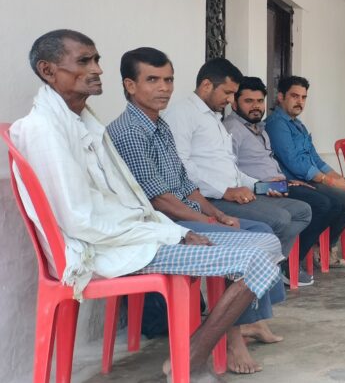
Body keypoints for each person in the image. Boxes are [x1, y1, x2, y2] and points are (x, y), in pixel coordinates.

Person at [16, 30, 279, 381]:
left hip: (136, 235)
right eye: (84, 61)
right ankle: (194, 356)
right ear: (48, 70)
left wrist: (191, 223)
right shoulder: (45, 130)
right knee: (253, 258)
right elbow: (82, 221)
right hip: (104, 248)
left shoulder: (84, 124)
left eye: (97, 60)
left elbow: (139, 199)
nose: (97, 69)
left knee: (265, 242)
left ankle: (195, 348)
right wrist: (172, 233)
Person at [107, 47, 287, 374]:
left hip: (186, 212)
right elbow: (160, 200)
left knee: (262, 233)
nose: (164, 88)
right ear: (130, 85)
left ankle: (243, 322)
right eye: (153, 80)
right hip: (166, 224)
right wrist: (206, 219)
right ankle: (232, 340)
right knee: (255, 243)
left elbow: (185, 184)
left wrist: (217, 215)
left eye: (168, 80)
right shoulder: (130, 131)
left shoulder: (159, 125)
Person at [162, 58, 312, 285]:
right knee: (279, 219)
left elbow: (230, 168)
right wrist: (225, 191)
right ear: (206, 85)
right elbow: (180, 167)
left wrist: (259, 186)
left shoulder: (213, 117)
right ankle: (253, 278)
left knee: (302, 211)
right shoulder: (182, 114)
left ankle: (266, 270)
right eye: (228, 93)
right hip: (208, 200)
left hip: (231, 194)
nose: (231, 100)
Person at [224, 76, 345, 272]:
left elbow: (315, 158)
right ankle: (296, 259)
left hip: (284, 183)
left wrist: (339, 178)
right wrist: (328, 181)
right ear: (281, 97)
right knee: (338, 202)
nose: (300, 102)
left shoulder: (267, 128)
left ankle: (318, 243)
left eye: (259, 101)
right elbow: (291, 162)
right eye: (295, 96)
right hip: (275, 185)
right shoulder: (266, 125)